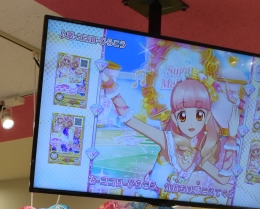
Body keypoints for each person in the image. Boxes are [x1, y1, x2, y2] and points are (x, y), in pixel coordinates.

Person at [102, 74, 239, 189]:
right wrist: (109, 85)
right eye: (183, 115)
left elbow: (223, 179)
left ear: (207, 117)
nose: (191, 123)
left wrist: (232, 137)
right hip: (147, 200)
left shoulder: (198, 154)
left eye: (199, 115)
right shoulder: (168, 140)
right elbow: (131, 121)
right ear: (175, 118)